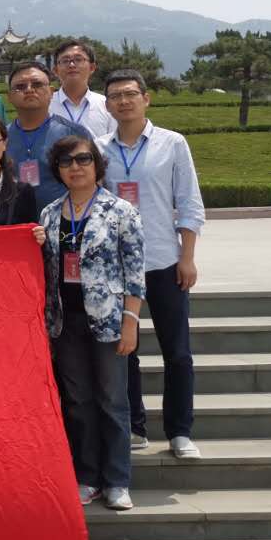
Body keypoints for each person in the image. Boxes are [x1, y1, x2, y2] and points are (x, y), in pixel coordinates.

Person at [97, 69, 206, 460]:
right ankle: (134, 426)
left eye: (130, 94)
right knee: (125, 351)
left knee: (177, 351)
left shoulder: (172, 143)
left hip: (163, 260)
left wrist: (187, 257)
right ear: (107, 105)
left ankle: (180, 431)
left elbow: (189, 202)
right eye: (115, 96)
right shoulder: (98, 149)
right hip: (116, 267)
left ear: (146, 98)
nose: (123, 101)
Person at [41, 135, 146, 512]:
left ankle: (117, 480)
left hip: (109, 320)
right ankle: (87, 477)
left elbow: (135, 273)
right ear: (58, 170)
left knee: (112, 401)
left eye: (83, 159)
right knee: (78, 402)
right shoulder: (50, 214)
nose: (75, 167)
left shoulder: (120, 211)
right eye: (66, 161)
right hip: (65, 321)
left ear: (97, 165)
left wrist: (131, 321)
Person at [5, 61, 90, 209]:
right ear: (10, 96)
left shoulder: (74, 134)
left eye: (37, 84)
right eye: (20, 86)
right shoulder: (0, 138)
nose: (29, 90)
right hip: (14, 221)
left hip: (64, 220)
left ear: (51, 92)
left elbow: (93, 181)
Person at [49, 39, 117, 138]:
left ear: (92, 67)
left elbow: (116, 143)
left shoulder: (107, 105)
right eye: (65, 61)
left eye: (78, 59)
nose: (72, 65)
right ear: (55, 70)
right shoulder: (45, 105)